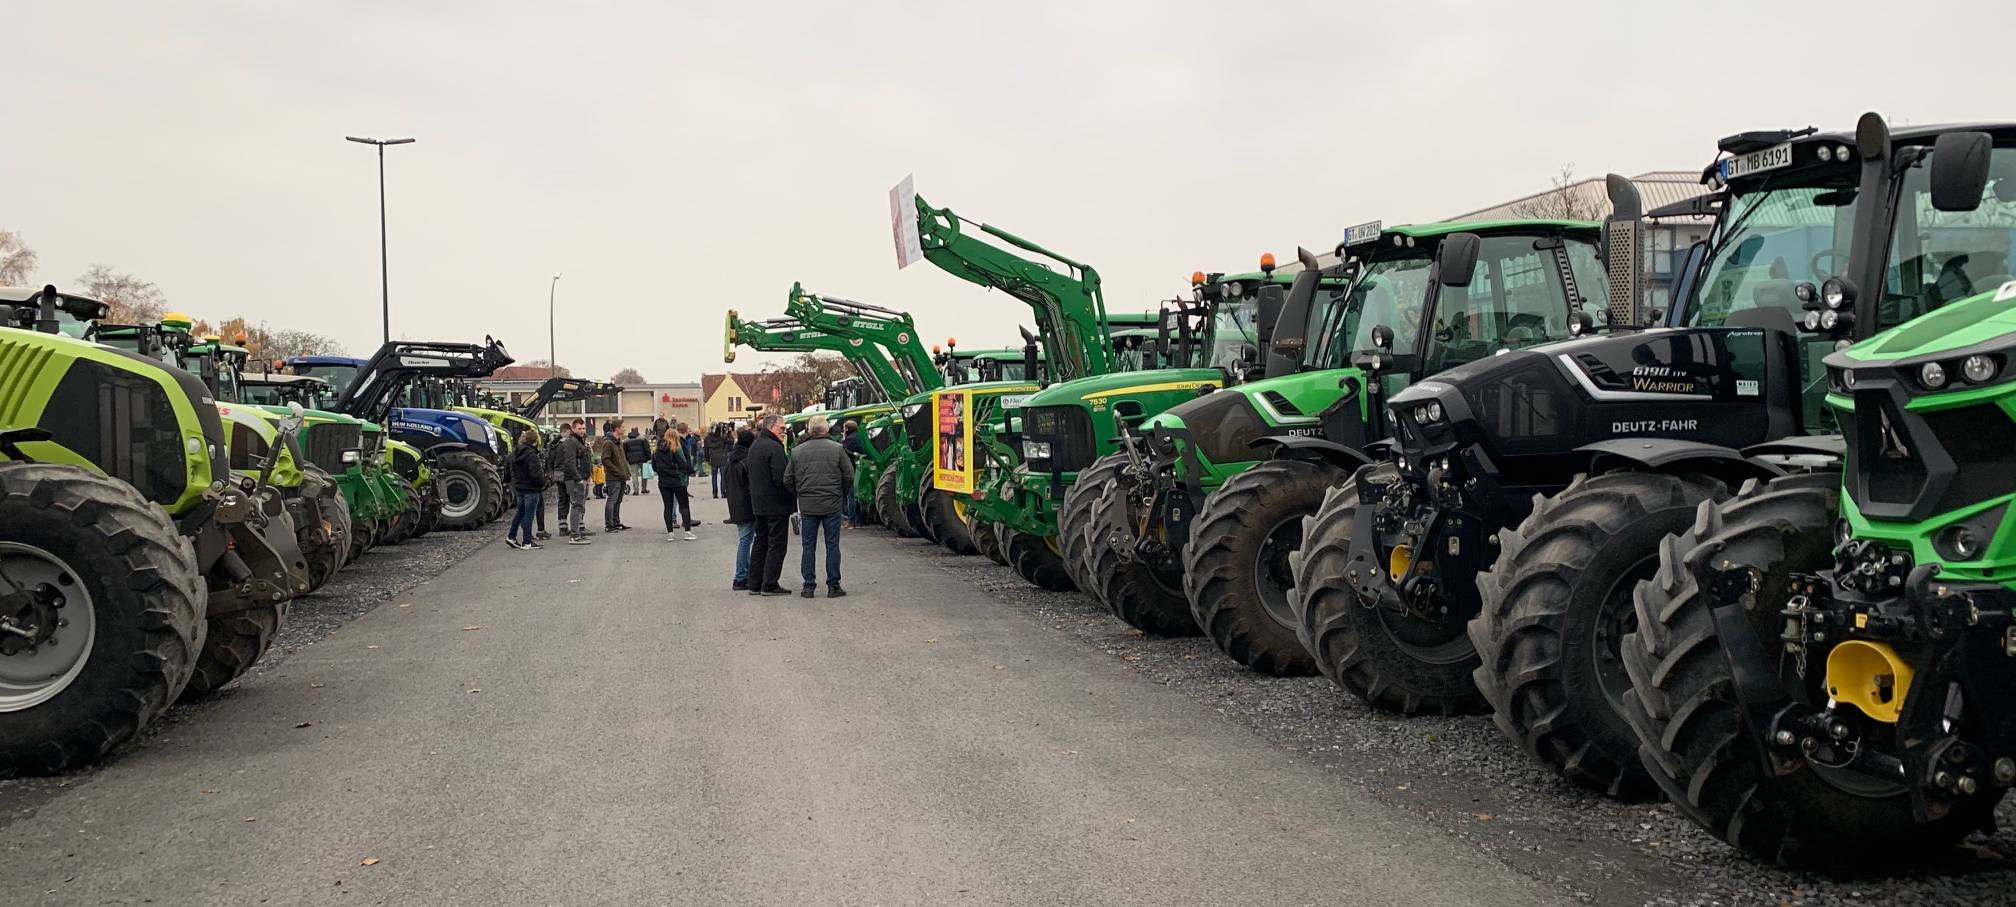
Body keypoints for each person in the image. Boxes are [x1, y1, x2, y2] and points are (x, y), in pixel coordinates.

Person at [786, 415, 852, 598]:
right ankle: (833, 585)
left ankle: (808, 587)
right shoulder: (837, 449)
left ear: (809, 430)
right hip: (832, 503)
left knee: (808, 546)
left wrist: (799, 493)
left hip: (808, 504)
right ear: (826, 429)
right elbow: (849, 475)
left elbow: (787, 478)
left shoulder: (797, 452)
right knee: (832, 545)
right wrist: (841, 493)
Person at [745, 414, 794, 596]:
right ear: (771, 426)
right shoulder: (774, 448)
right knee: (776, 544)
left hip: (759, 503)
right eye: (782, 428)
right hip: (776, 504)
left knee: (760, 542)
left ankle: (755, 583)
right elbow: (781, 478)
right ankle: (770, 583)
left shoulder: (755, 445)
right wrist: (790, 496)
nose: (784, 432)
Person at [725, 427, 757, 589]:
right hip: (746, 504)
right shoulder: (747, 461)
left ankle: (746, 572)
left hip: (735, 503)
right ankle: (740, 576)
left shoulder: (732, 460)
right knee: (745, 540)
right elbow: (751, 485)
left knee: (745, 538)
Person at [652, 427, 697, 540]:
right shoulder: (676, 448)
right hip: (677, 480)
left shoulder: (657, 451)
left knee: (668, 506)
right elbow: (683, 464)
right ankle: (687, 532)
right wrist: (687, 471)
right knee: (684, 506)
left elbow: (654, 467)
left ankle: (670, 533)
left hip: (663, 482)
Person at [505, 428, 545, 550]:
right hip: (531, 489)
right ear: (535, 441)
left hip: (519, 487)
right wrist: (542, 483)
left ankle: (511, 536)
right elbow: (535, 474)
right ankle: (527, 541)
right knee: (529, 515)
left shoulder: (514, 453)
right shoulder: (532, 455)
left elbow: (508, 472)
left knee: (520, 512)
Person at [558, 419, 592, 545]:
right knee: (577, 506)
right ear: (573, 429)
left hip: (581, 477)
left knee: (579, 506)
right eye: (579, 428)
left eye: (583, 428)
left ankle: (577, 532)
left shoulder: (579, 442)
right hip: (575, 480)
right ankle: (574, 535)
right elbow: (570, 462)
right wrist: (578, 479)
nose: (582, 431)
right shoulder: (571, 442)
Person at [597, 420, 632, 532]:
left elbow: (622, 459)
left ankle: (616, 522)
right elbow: (605, 459)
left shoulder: (619, 442)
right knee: (612, 499)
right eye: (622, 427)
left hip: (621, 476)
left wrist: (625, 472)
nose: (624, 429)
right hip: (613, 477)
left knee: (618, 500)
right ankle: (609, 524)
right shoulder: (608, 443)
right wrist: (616, 471)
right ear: (616, 428)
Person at [839, 420, 864, 528]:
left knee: (851, 496)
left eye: (844, 428)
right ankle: (858, 521)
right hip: (858, 469)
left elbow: (844, 452)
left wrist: (843, 439)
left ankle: (851, 520)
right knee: (856, 496)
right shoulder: (858, 436)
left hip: (851, 469)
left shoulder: (849, 439)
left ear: (847, 429)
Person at [707, 424, 733, 498]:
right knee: (723, 477)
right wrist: (729, 433)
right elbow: (731, 442)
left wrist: (707, 459)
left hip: (713, 458)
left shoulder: (708, 438)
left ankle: (715, 493)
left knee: (714, 477)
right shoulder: (723, 438)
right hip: (722, 457)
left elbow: (706, 449)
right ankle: (723, 492)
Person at [625, 427, 652, 496]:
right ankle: (644, 489)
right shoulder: (642, 438)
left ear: (631, 430)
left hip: (632, 460)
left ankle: (636, 490)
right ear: (637, 430)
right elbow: (647, 448)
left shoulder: (626, 440)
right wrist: (649, 457)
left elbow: (624, 451)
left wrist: (627, 458)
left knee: (634, 475)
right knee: (644, 474)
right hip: (642, 459)